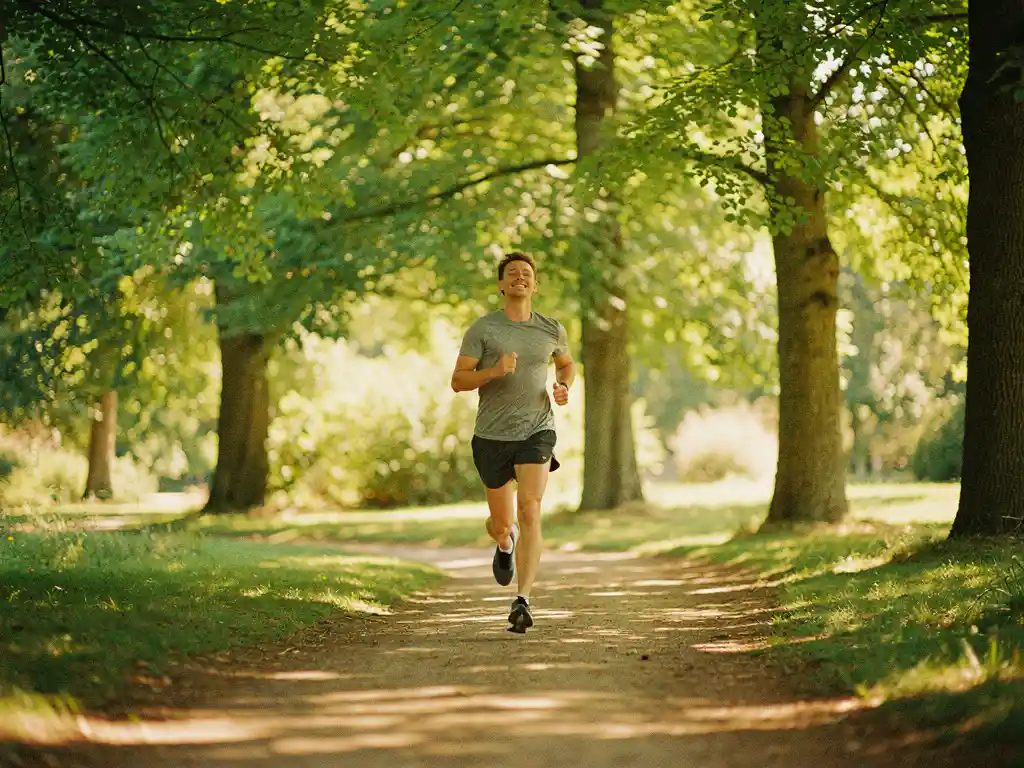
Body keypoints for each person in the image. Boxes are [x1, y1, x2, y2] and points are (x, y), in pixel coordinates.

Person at [450, 252, 575, 634]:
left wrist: (563, 386)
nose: (520, 278)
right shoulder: (483, 330)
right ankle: (505, 543)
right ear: (501, 285)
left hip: (538, 429)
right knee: (503, 522)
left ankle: (523, 600)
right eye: (512, 274)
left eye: (527, 274)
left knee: (531, 509)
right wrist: (494, 371)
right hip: (491, 435)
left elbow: (566, 364)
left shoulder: (551, 329)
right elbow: (458, 381)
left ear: (534, 285)